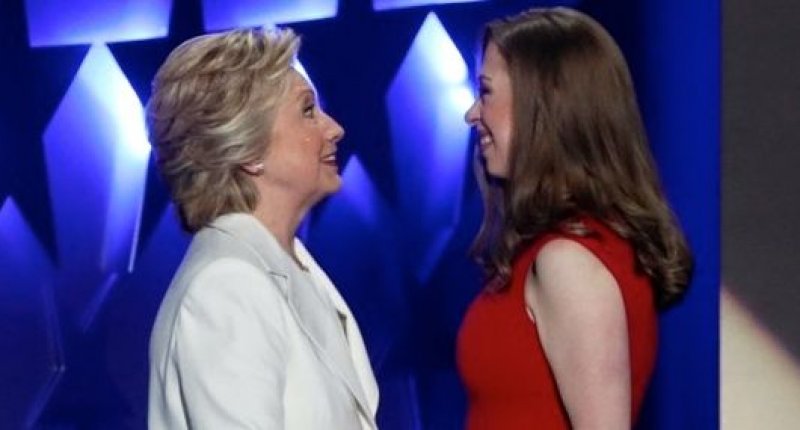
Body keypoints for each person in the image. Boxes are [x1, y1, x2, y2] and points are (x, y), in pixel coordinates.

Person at [456, 7, 693, 429]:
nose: (472, 113)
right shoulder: (559, 250)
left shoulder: (569, 260)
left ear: (543, 105)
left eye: (486, 91)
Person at [145, 28, 378, 429]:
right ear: (249, 150)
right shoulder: (226, 286)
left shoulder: (290, 267)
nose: (334, 128)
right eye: (308, 111)